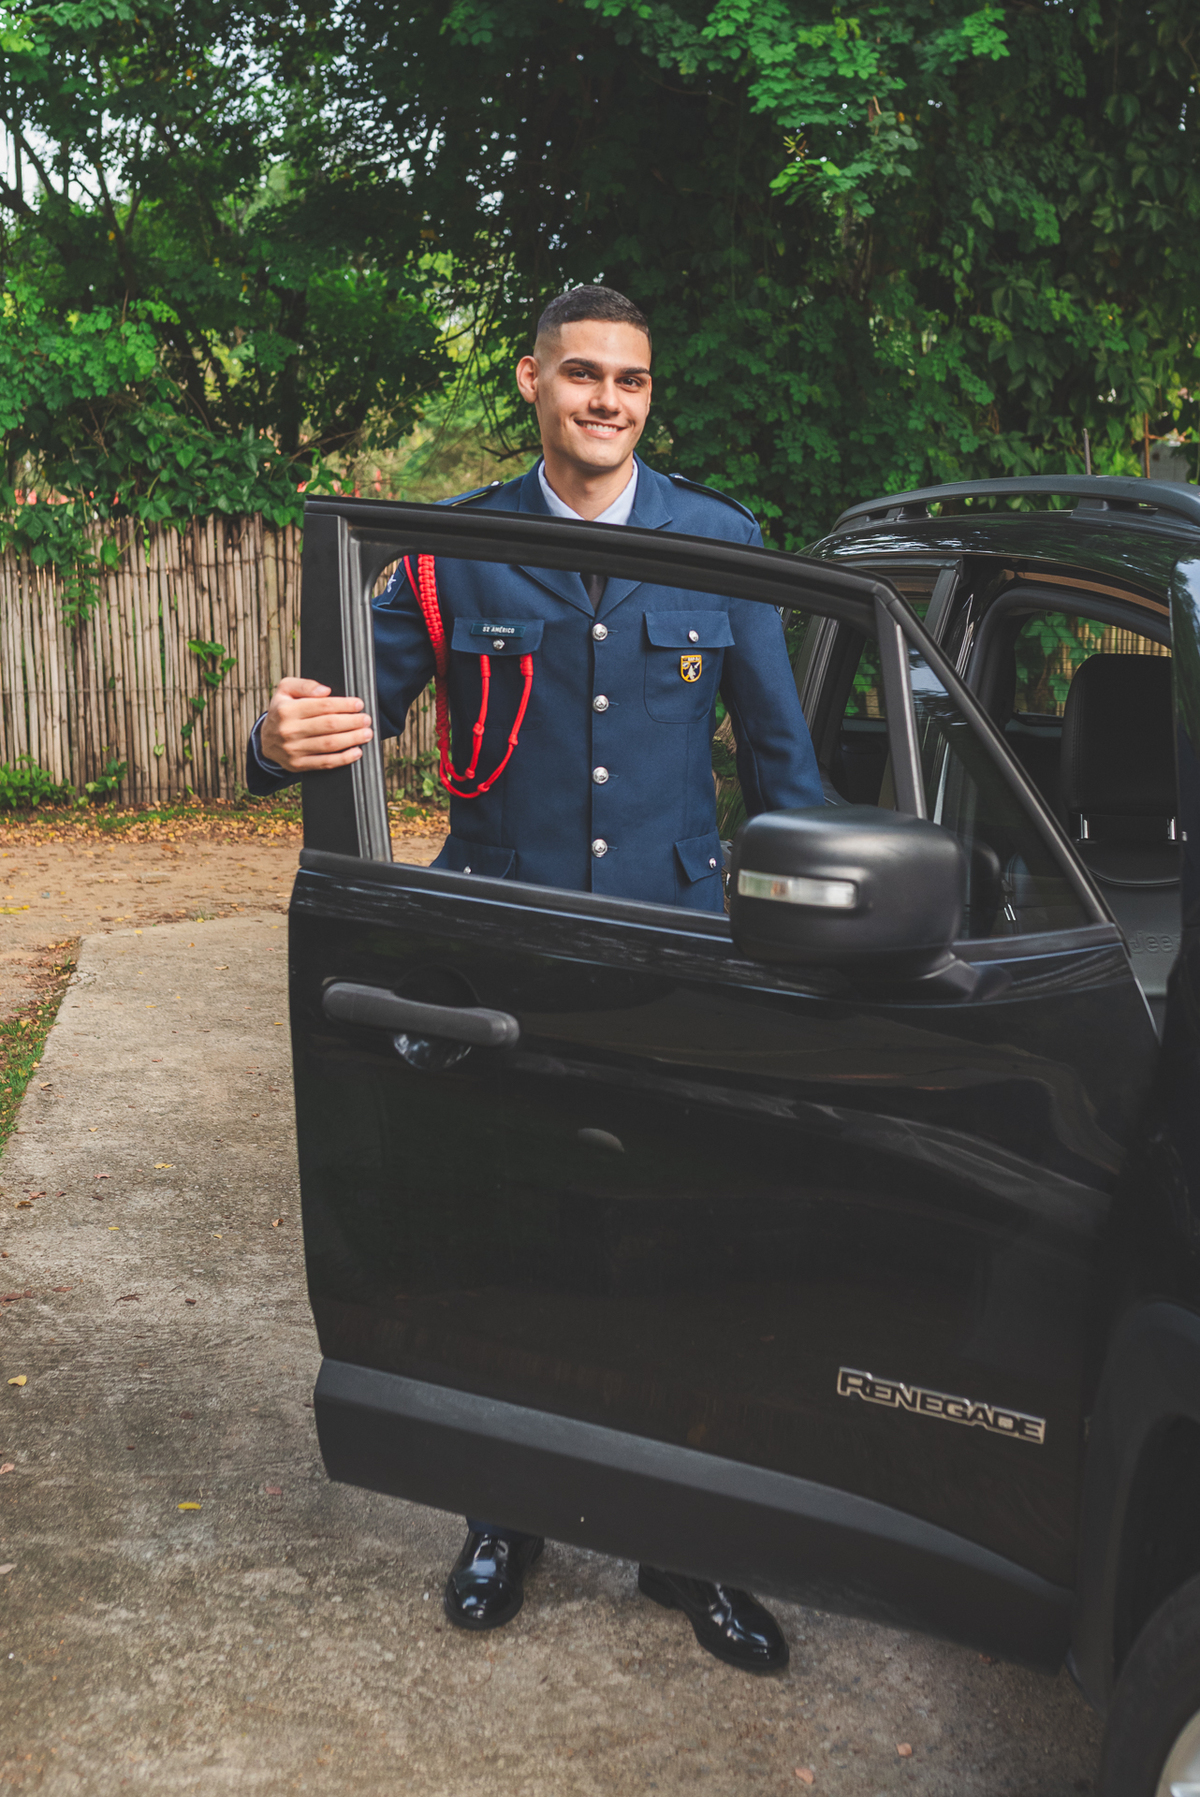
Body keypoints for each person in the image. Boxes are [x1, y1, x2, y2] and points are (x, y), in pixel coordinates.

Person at [246, 284, 823, 1673]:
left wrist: (815, 946)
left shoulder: (723, 545)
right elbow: (338, 718)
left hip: (679, 962)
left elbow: (788, 771)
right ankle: (503, 1517)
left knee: (674, 1253)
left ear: (647, 394)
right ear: (531, 382)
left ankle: (687, 1543)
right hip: (499, 956)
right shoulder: (455, 555)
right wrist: (279, 736)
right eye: (581, 376)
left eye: (629, 379)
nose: (607, 400)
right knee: (509, 1247)